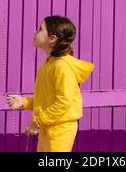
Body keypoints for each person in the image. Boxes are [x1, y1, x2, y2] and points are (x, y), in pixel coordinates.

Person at [6, 15, 95, 152]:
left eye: (40, 29)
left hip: (60, 130)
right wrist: (24, 102)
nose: (35, 32)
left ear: (52, 39)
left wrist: (37, 122)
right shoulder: (46, 65)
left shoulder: (61, 67)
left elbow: (64, 103)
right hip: (48, 127)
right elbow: (48, 100)